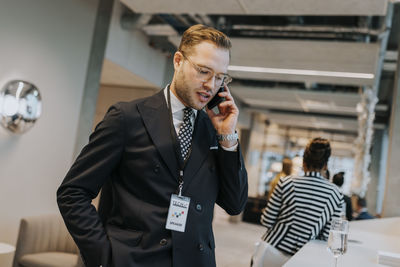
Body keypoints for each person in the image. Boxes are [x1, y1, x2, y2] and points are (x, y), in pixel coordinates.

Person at [57, 24, 248, 267]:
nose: (211, 86)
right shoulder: (127, 118)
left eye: (220, 77)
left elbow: (234, 204)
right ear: (178, 61)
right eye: (203, 71)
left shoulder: (216, 129)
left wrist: (228, 137)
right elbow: (72, 193)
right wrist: (104, 257)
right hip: (135, 260)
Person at [252, 138, 343, 267]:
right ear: (325, 165)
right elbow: (328, 236)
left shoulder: (286, 182)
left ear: (304, 162)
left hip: (272, 249)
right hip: (303, 258)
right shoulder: (335, 194)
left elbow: (266, 220)